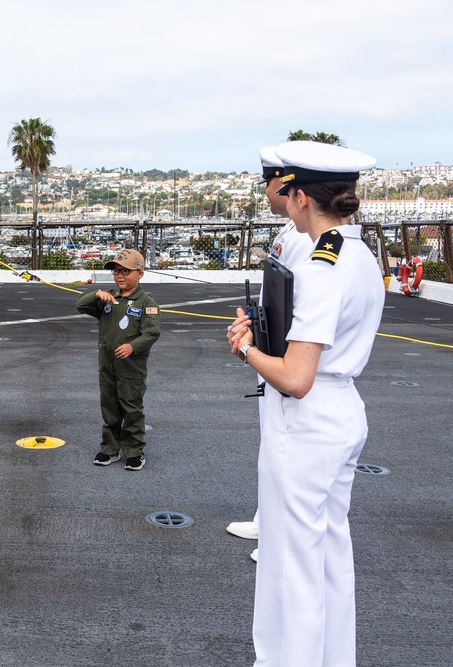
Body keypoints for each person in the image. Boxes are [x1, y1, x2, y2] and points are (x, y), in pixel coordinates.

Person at [227, 141, 381, 666]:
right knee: (328, 558)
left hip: (306, 424)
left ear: (297, 197)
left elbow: (296, 378)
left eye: (281, 189)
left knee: (289, 565)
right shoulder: (354, 253)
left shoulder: (320, 266)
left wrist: (246, 347)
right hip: (340, 413)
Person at [226, 146, 316, 563]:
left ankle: (280, 539)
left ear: (285, 184)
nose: (265, 191)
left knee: (287, 456)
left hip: (291, 367)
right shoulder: (289, 233)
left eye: (268, 183)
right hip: (270, 355)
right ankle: (268, 520)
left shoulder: (308, 241)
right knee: (271, 449)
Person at [77, 249, 161, 470]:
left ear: (140, 273)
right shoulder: (108, 299)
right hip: (107, 365)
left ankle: (134, 450)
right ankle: (110, 449)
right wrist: (96, 295)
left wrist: (133, 346)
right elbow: (81, 306)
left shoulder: (146, 302)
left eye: (126, 271)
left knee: (131, 407)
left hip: (131, 367)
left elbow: (152, 333)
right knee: (110, 406)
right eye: (116, 271)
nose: (120, 276)